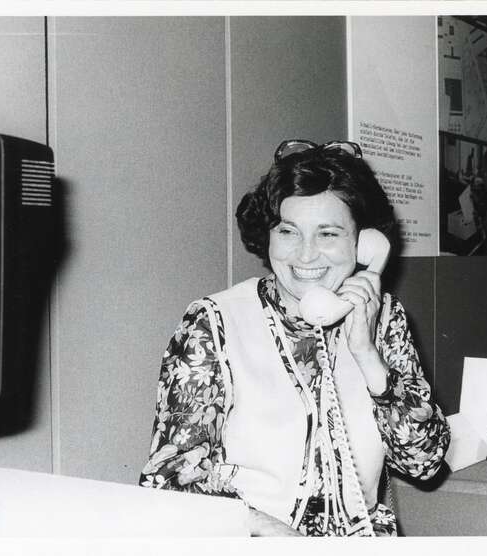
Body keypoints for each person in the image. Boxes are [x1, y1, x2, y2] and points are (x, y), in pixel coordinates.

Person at [139, 139, 450, 536]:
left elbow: (423, 463)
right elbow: (169, 479)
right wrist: (272, 532)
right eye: (288, 231)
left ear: (364, 244)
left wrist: (370, 358)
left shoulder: (385, 319)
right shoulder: (214, 323)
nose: (305, 256)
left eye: (328, 234)